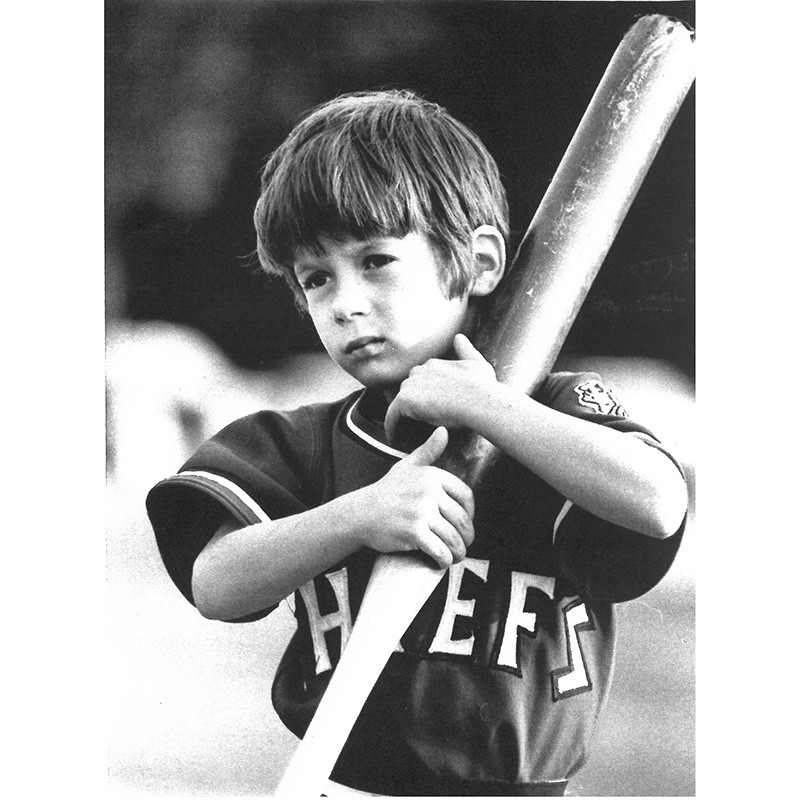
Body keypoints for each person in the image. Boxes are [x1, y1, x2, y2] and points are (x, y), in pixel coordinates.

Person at [146, 89, 689, 796]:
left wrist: (490, 407)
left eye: (375, 261)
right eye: (316, 279)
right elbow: (216, 583)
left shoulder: (553, 413)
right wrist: (361, 514)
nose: (345, 302)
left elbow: (658, 502)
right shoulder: (303, 440)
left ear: (480, 261)